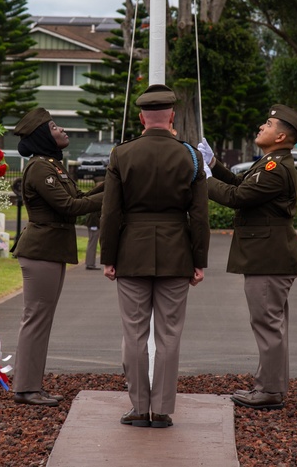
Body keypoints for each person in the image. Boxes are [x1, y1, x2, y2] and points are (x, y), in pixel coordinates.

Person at [100, 84, 210, 429]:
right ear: (172, 117)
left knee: (133, 333)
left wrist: (108, 256)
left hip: (132, 251)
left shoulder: (122, 154)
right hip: (177, 253)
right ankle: (161, 409)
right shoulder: (190, 155)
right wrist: (199, 260)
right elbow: (201, 215)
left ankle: (138, 407)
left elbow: (110, 212)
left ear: (141, 118)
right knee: (169, 334)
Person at [199, 104, 297, 411]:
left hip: (268, 257)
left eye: (269, 123)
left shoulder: (276, 168)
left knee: (267, 324)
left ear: (281, 136)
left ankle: (270, 390)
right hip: (269, 255)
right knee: (271, 324)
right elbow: (241, 185)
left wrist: (203, 177)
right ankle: (271, 386)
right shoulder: (271, 162)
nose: (262, 126)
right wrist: (214, 164)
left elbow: (238, 198)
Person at [11, 107, 103, 406]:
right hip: (42, 251)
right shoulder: (41, 168)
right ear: (42, 136)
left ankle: (31, 386)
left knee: (41, 319)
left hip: (49, 250)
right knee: (36, 319)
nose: (62, 130)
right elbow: (70, 207)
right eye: (54, 127)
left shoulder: (52, 165)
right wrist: (113, 193)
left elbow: (76, 199)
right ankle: (26, 388)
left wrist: (110, 182)